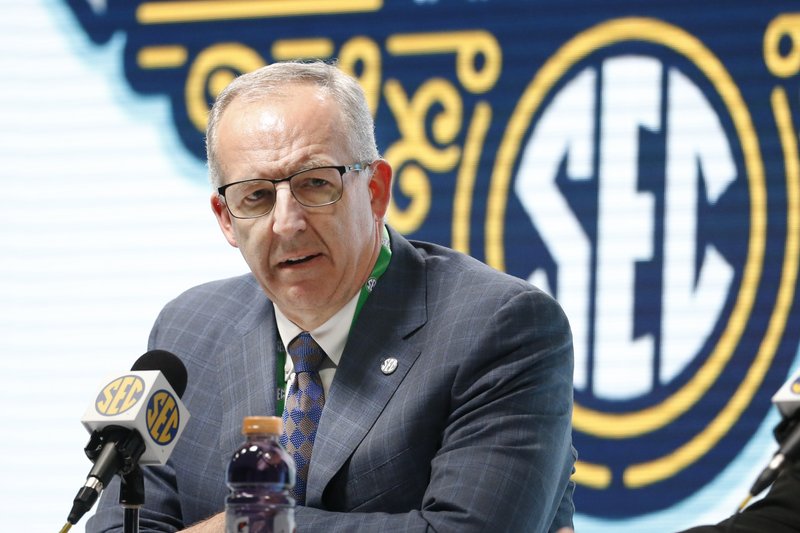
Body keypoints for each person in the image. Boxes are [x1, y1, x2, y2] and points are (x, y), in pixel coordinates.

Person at [87, 60, 576, 532]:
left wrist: (251, 526)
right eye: (255, 196)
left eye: (315, 184)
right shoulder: (189, 330)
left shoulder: (501, 328)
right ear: (225, 218)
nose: (287, 222)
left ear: (376, 191)